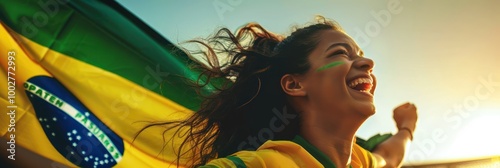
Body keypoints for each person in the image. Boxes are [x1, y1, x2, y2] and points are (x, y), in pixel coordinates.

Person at [149, 16, 418, 168]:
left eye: (360, 54)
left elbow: (391, 156)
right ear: (294, 85)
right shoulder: (263, 164)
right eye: (340, 53)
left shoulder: (359, 163)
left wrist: (406, 127)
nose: (367, 62)